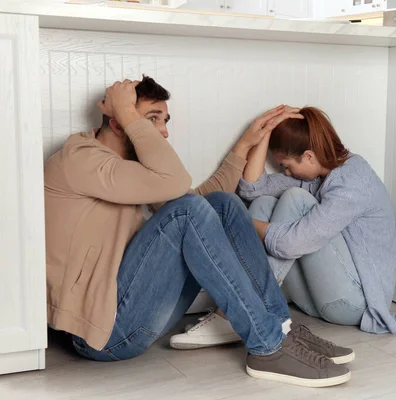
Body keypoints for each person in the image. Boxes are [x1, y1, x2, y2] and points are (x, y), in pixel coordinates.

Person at [44, 77, 354, 388]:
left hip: (130, 310)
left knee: (223, 204)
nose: (164, 132)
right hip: (102, 334)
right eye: (152, 120)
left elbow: (194, 200)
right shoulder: (80, 158)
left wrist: (245, 144)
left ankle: (280, 327)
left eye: (165, 121)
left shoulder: (126, 169)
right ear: (119, 122)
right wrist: (126, 110)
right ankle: (267, 346)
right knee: (188, 210)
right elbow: (179, 191)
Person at [169, 106, 396, 350]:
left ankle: (235, 314)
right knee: (265, 203)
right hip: (314, 302)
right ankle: (238, 311)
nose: (285, 172)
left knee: (295, 200)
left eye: (287, 166)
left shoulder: (352, 182)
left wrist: (239, 222)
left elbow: (292, 244)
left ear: (309, 156)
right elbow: (252, 189)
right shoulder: (320, 173)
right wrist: (264, 134)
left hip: (353, 304)